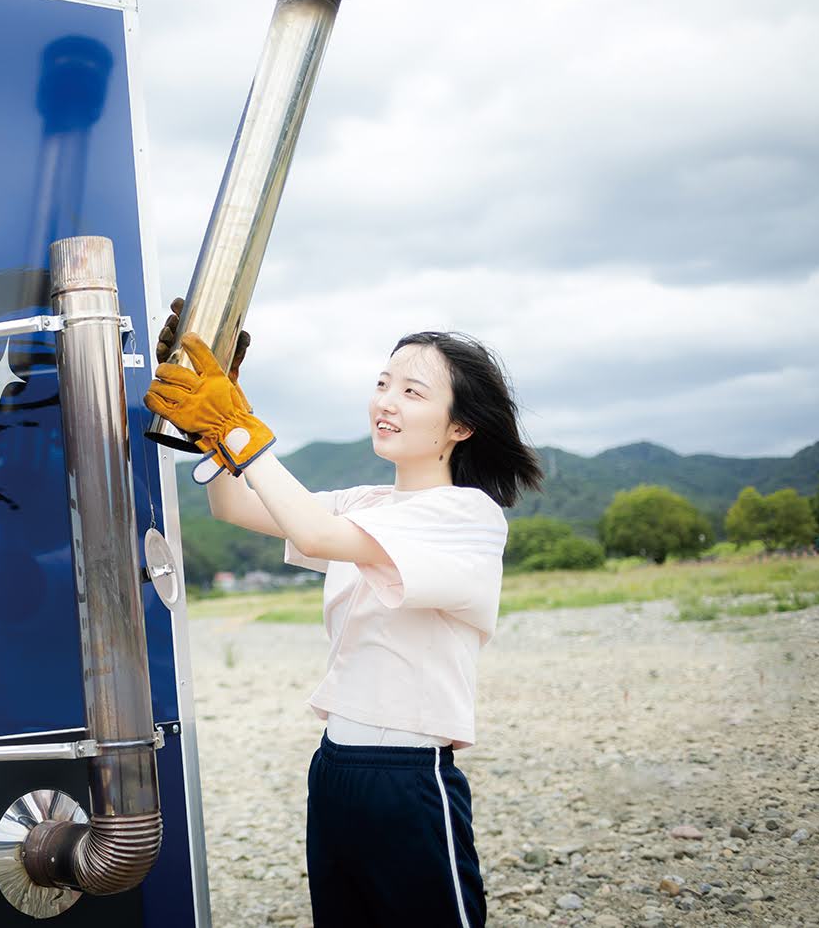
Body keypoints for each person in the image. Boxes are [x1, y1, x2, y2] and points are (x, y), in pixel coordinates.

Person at [146, 323, 543, 927]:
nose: (387, 401)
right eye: (384, 383)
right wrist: (214, 417)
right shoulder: (366, 503)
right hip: (335, 768)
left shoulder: (469, 515)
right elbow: (235, 505)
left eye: (413, 392)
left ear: (460, 426)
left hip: (408, 776)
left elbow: (313, 532)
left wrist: (237, 426)